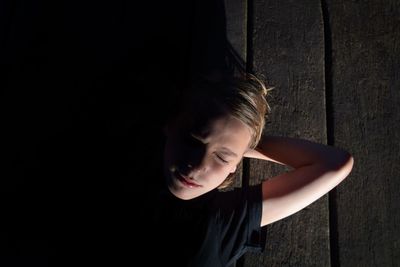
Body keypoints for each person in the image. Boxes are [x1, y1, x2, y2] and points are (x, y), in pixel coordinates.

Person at [146, 71, 354, 267]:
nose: (198, 166)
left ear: (234, 167)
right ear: (170, 124)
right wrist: (233, 148)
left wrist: (243, 146)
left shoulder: (222, 224)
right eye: (192, 141)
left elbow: (334, 164)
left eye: (222, 157)